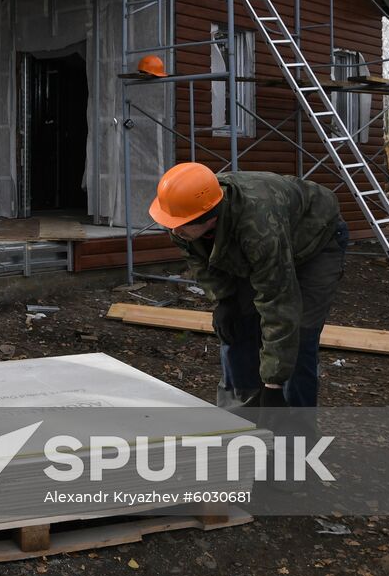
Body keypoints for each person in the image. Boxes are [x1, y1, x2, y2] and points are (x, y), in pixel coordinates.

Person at [149, 163, 348, 408]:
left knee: (298, 334)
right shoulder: (181, 218)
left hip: (315, 239)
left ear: (208, 216)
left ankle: (296, 430)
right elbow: (199, 260)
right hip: (262, 237)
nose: (174, 230)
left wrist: (273, 386)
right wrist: (225, 299)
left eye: (183, 224)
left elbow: (277, 299)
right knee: (236, 325)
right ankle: (240, 414)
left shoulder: (258, 227)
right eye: (172, 224)